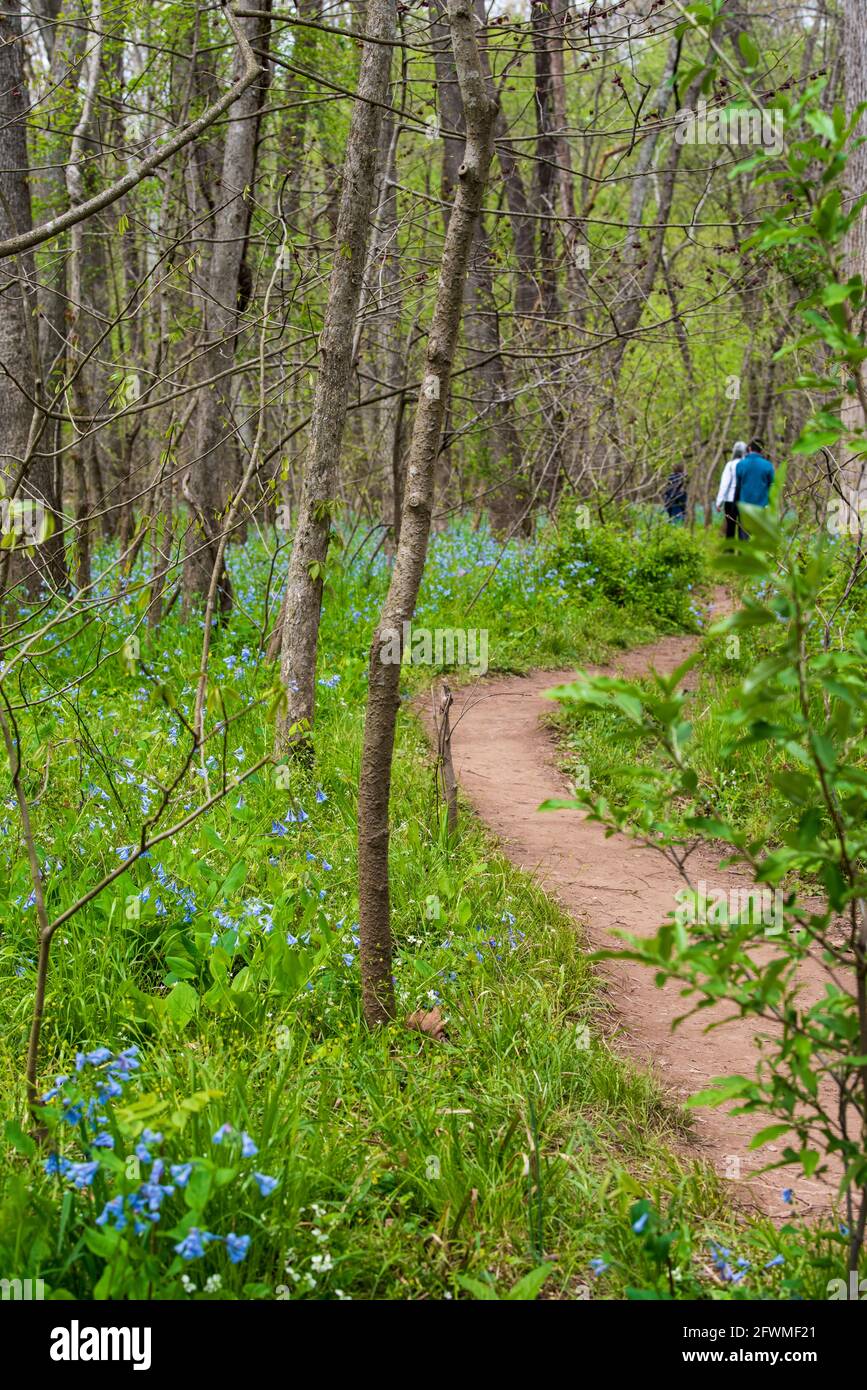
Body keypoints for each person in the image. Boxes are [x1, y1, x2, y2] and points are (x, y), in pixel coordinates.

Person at [734, 438, 775, 538]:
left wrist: (735, 506)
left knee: (744, 538)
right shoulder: (768, 466)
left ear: (749, 448)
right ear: (762, 450)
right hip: (762, 509)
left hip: (745, 508)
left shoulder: (740, 465)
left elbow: (738, 488)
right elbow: (772, 488)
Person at [716, 440, 747, 540]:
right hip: (743, 500)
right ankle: (742, 552)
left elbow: (724, 485)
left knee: (730, 528)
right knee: (743, 528)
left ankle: (729, 552)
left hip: (730, 501)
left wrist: (719, 502)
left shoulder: (729, 465)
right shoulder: (746, 465)